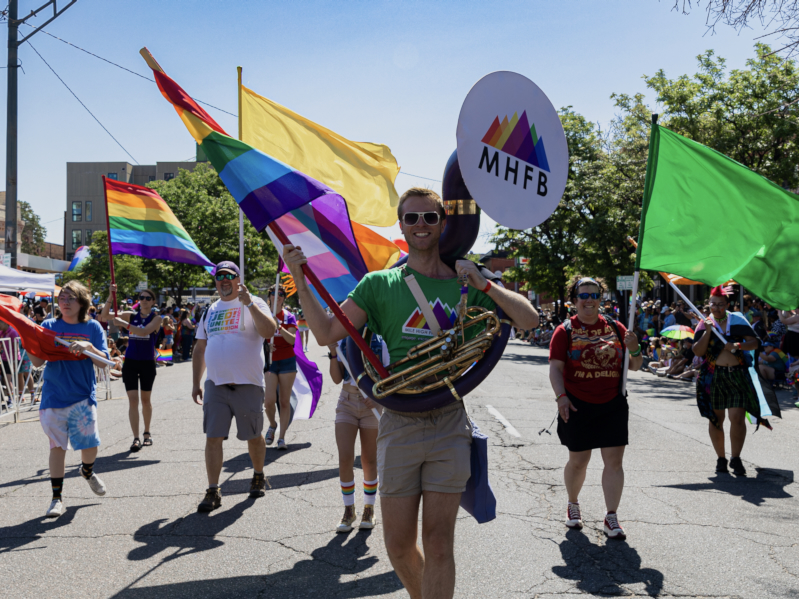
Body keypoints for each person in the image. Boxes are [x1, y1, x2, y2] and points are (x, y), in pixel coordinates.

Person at [284, 187, 538, 599]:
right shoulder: (379, 284)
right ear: (401, 226)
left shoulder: (465, 281)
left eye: (430, 218)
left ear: (442, 223)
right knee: (399, 547)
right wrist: (300, 277)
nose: (421, 225)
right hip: (398, 421)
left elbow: (527, 319)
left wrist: (485, 286)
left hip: (448, 420)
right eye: (412, 219)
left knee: (439, 544)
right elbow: (328, 332)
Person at [549, 276, 642, 541]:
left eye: (594, 295)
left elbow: (634, 366)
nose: (589, 300)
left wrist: (635, 349)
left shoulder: (615, 327)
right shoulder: (564, 330)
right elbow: (555, 369)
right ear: (574, 300)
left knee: (614, 462)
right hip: (577, 405)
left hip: (612, 404)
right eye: (584, 295)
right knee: (579, 461)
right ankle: (573, 503)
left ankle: (611, 516)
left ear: (601, 299)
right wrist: (561, 397)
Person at [192, 261, 276, 512]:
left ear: (239, 279)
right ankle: (213, 490)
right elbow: (199, 348)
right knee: (213, 437)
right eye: (220, 276)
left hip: (247, 384)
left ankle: (258, 474)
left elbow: (269, 331)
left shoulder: (255, 303)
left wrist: (249, 302)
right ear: (215, 281)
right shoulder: (210, 310)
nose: (224, 279)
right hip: (216, 384)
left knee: (252, 436)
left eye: (230, 275)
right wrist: (196, 382)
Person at [29, 281, 110, 518]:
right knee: (57, 447)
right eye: (62, 297)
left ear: (82, 302)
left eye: (70, 298)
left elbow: (105, 362)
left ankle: (87, 471)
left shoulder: (93, 327)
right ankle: (56, 498)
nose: (64, 302)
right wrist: (30, 342)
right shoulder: (48, 325)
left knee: (90, 445)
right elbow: (37, 363)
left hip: (82, 397)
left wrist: (89, 347)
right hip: (53, 396)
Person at [692, 286, 762, 476]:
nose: (715, 308)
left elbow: (754, 343)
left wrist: (737, 345)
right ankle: (721, 459)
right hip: (713, 377)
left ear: (727, 304)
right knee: (716, 420)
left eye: (720, 304)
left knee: (737, 418)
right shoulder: (704, 322)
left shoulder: (737, 319)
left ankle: (736, 458)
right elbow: (698, 352)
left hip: (736, 375)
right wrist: (707, 331)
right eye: (712, 304)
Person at [328, 335, 383, 532]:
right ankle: (349, 510)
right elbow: (336, 378)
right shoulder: (344, 342)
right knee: (345, 457)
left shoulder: (381, 341)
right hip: (347, 402)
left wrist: (378, 398)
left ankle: (369, 508)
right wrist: (334, 353)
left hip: (372, 405)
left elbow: (389, 376)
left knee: (369, 460)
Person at [100, 286, 162, 452]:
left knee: (146, 400)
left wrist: (125, 325)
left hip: (147, 363)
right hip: (131, 363)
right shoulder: (131, 315)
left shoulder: (157, 318)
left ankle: (147, 433)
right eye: (142, 297)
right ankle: (136, 438)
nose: (144, 300)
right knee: (133, 401)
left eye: (148, 298)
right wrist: (110, 296)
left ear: (153, 301)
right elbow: (104, 316)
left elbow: (144, 332)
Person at [263, 284, 298, 450]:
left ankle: (282, 438)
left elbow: (291, 340)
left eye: (281, 294)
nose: (277, 296)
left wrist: (279, 325)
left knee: (284, 401)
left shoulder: (289, 316)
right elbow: (256, 337)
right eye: (273, 293)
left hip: (287, 361)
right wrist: (265, 346)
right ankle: (272, 425)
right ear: (269, 296)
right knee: (269, 401)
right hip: (270, 362)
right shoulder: (263, 314)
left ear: (284, 298)